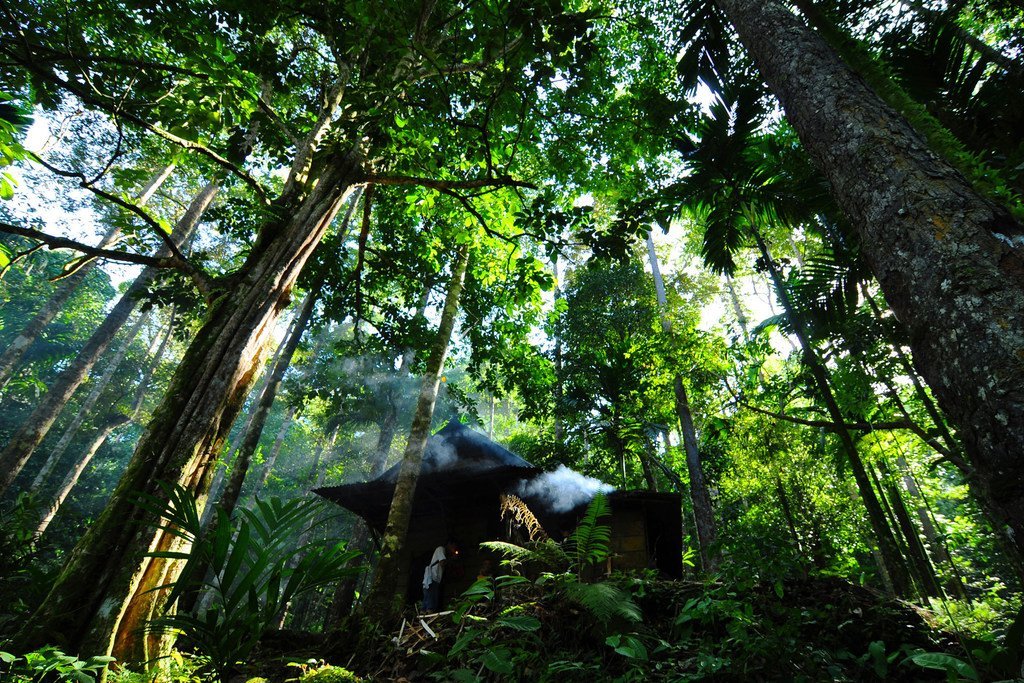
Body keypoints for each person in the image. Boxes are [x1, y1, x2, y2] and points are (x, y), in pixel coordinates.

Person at [422, 538, 459, 612]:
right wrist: (452, 558)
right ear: (449, 544)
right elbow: (442, 562)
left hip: (435, 579)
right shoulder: (440, 549)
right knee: (430, 602)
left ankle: (424, 617)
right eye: (453, 546)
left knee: (428, 600)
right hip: (432, 578)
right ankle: (427, 617)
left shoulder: (444, 553)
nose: (454, 549)